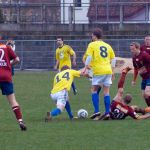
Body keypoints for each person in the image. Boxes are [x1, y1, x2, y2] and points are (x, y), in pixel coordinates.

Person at [82, 28, 116, 119]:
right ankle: (107, 112)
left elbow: (88, 57)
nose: (91, 37)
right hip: (108, 70)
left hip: (98, 70)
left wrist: (85, 67)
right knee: (106, 92)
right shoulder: (107, 45)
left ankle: (97, 111)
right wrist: (112, 71)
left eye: (92, 35)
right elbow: (113, 59)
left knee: (93, 90)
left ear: (95, 36)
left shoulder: (92, 44)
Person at [0, 42, 27, 131]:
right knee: (13, 101)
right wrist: (8, 64)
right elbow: (17, 60)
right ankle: (20, 121)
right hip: (6, 77)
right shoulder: (7, 47)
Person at [130, 42, 150, 106]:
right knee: (144, 95)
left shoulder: (144, 55)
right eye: (131, 49)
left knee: (147, 93)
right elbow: (136, 69)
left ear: (138, 48)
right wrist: (134, 80)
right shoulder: (134, 58)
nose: (131, 51)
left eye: (133, 49)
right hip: (144, 78)